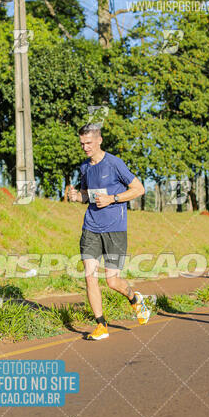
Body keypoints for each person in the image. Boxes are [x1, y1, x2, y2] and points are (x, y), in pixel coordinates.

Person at [68, 123, 149, 340]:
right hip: (91, 227)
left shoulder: (114, 164)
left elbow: (139, 189)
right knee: (89, 276)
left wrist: (113, 198)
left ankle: (135, 299)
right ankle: (101, 325)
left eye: (89, 143)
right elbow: (88, 195)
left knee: (112, 281)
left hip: (115, 228)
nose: (85, 147)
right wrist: (77, 197)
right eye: (82, 143)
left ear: (99, 141)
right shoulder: (85, 167)